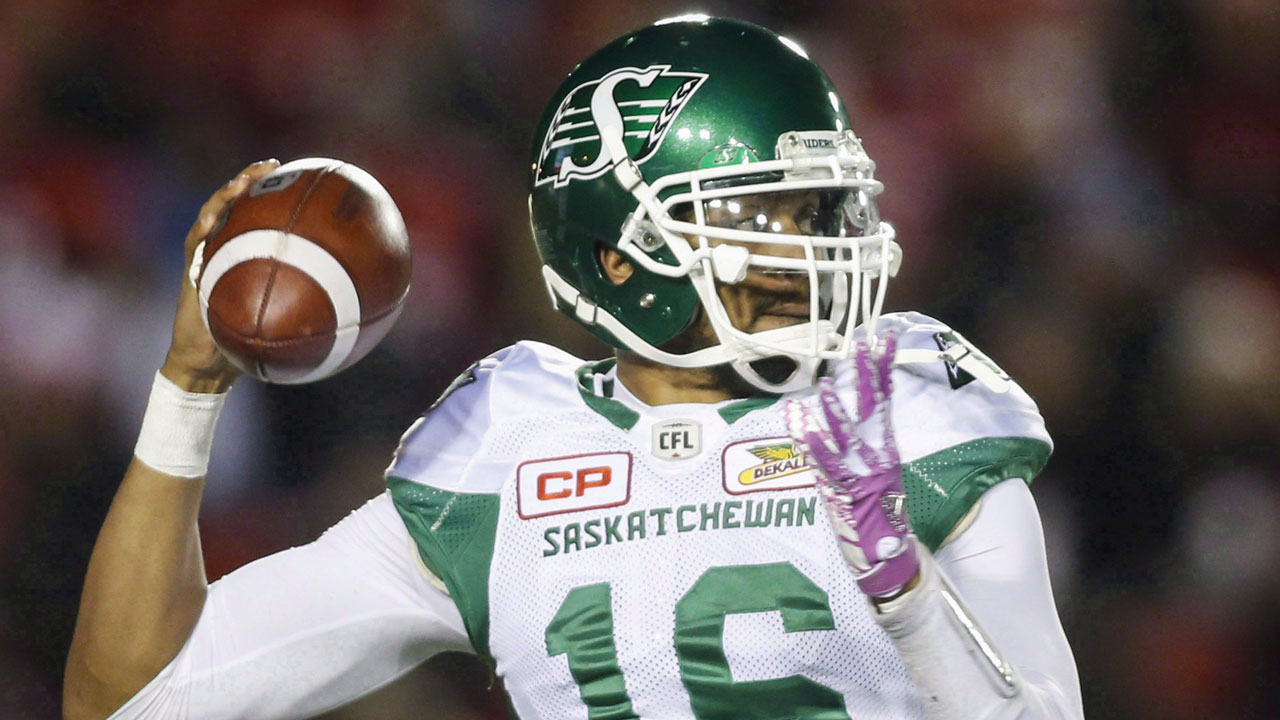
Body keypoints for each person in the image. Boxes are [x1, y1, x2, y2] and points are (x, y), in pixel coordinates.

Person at [64, 15, 1083, 720]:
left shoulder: (903, 409)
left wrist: (903, 589)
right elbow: (132, 699)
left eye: (820, 210)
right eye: (765, 216)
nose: (816, 246)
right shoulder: (502, 449)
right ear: (616, 255)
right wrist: (188, 389)